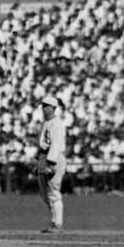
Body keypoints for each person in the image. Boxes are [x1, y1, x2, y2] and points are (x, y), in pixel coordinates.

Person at [37, 95, 68, 234]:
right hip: (45, 156)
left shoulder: (57, 123)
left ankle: (58, 223)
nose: (44, 108)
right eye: (43, 105)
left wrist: (49, 163)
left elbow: (55, 145)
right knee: (45, 194)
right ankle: (54, 221)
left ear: (53, 108)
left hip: (54, 158)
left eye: (46, 105)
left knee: (53, 192)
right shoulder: (45, 122)